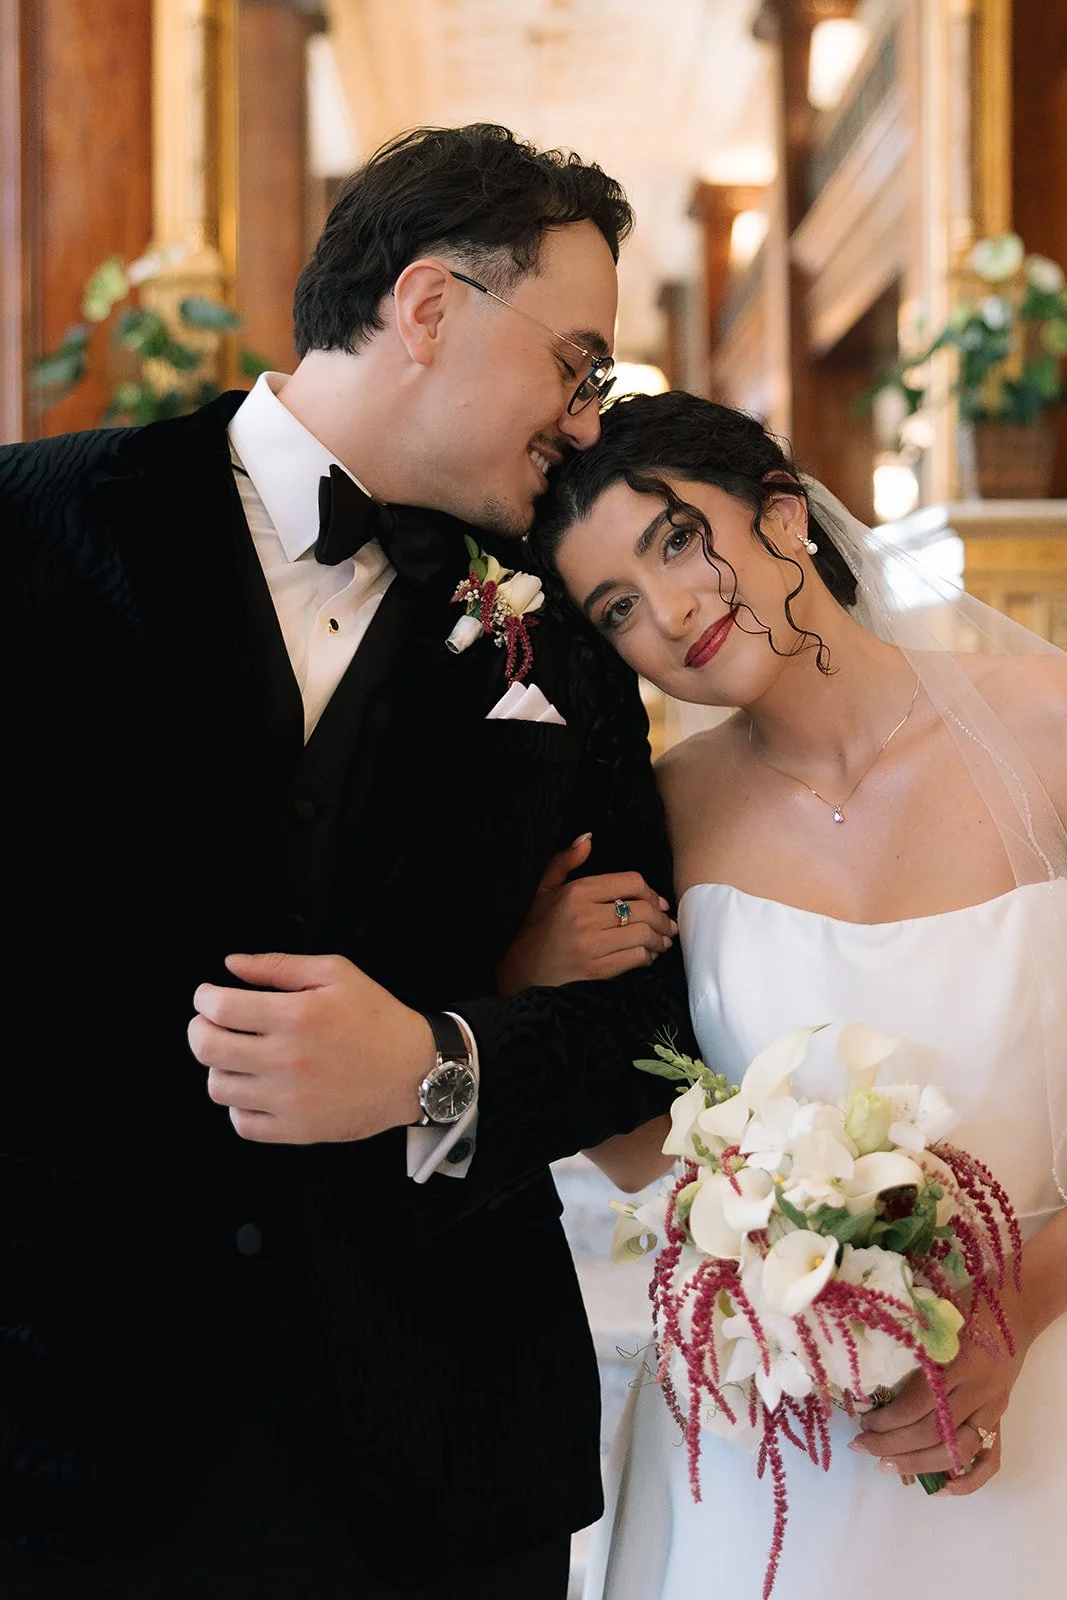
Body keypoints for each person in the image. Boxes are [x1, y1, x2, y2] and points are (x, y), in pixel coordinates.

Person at [1, 126, 697, 1599]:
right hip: (74, 1455)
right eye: (575, 364)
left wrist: (441, 1066)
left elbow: (649, 1019)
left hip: (445, 1460)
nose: (585, 420)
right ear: (429, 306)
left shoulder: (564, 630)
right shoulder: (28, 530)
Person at [524, 390, 1067, 1597]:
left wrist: (1016, 1311)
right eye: (615, 607)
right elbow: (639, 1139)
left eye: (675, 540)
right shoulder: (659, 814)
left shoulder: (1047, 731)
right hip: (771, 1432)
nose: (667, 612)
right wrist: (530, 977)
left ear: (780, 513)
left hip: (1036, 1386)